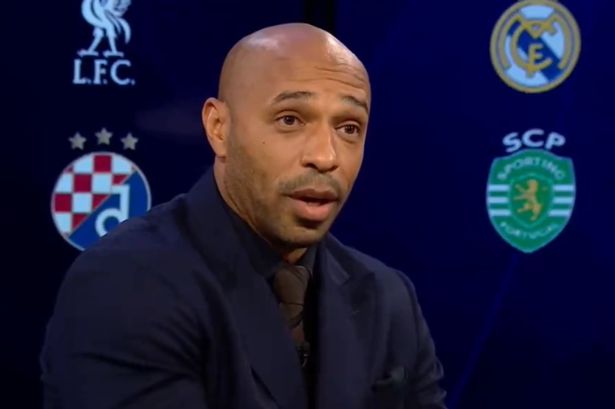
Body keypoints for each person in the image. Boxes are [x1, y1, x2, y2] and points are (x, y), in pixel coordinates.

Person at [40, 23, 447, 409]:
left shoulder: (388, 298)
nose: (326, 156)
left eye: (349, 128)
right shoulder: (125, 283)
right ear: (219, 128)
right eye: (290, 120)